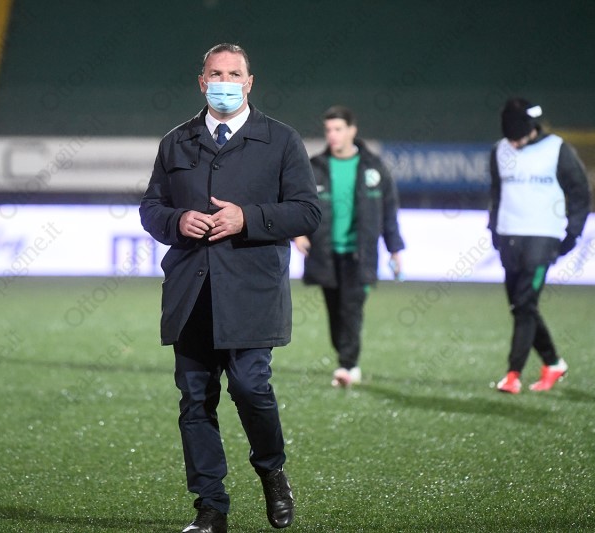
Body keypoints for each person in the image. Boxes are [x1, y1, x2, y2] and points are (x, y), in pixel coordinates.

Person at [139, 43, 321, 533]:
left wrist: (248, 218)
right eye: (215, 74)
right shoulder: (176, 141)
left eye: (234, 74)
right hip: (191, 292)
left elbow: (308, 212)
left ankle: (272, 470)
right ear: (202, 82)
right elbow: (151, 209)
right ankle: (210, 508)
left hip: (251, 293)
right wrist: (177, 220)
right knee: (195, 401)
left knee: (249, 386)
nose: (224, 82)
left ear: (249, 82)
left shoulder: (281, 140)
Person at [293, 105, 404, 388]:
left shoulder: (373, 167)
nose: (332, 135)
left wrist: (395, 251)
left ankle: (348, 365)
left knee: (351, 309)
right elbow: (297, 203)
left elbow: (389, 212)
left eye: (338, 129)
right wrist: (298, 234)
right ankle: (345, 360)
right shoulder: (315, 167)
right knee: (335, 312)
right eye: (328, 129)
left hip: (360, 255)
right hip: (326, 253)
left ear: (352, 131)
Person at [488, 97, 591, 394]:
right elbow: (496, 194)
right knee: (520, 306)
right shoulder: (499, 151)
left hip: (543, 238)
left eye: (518, 138)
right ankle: (553, 362)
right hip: (509, 237)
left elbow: (581, 192)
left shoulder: (557, 149)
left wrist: (572, 233)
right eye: (510, 139)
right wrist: (494, 230)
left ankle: (513, 375)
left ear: (531, 128)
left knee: (524, 304)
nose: (515, 144)